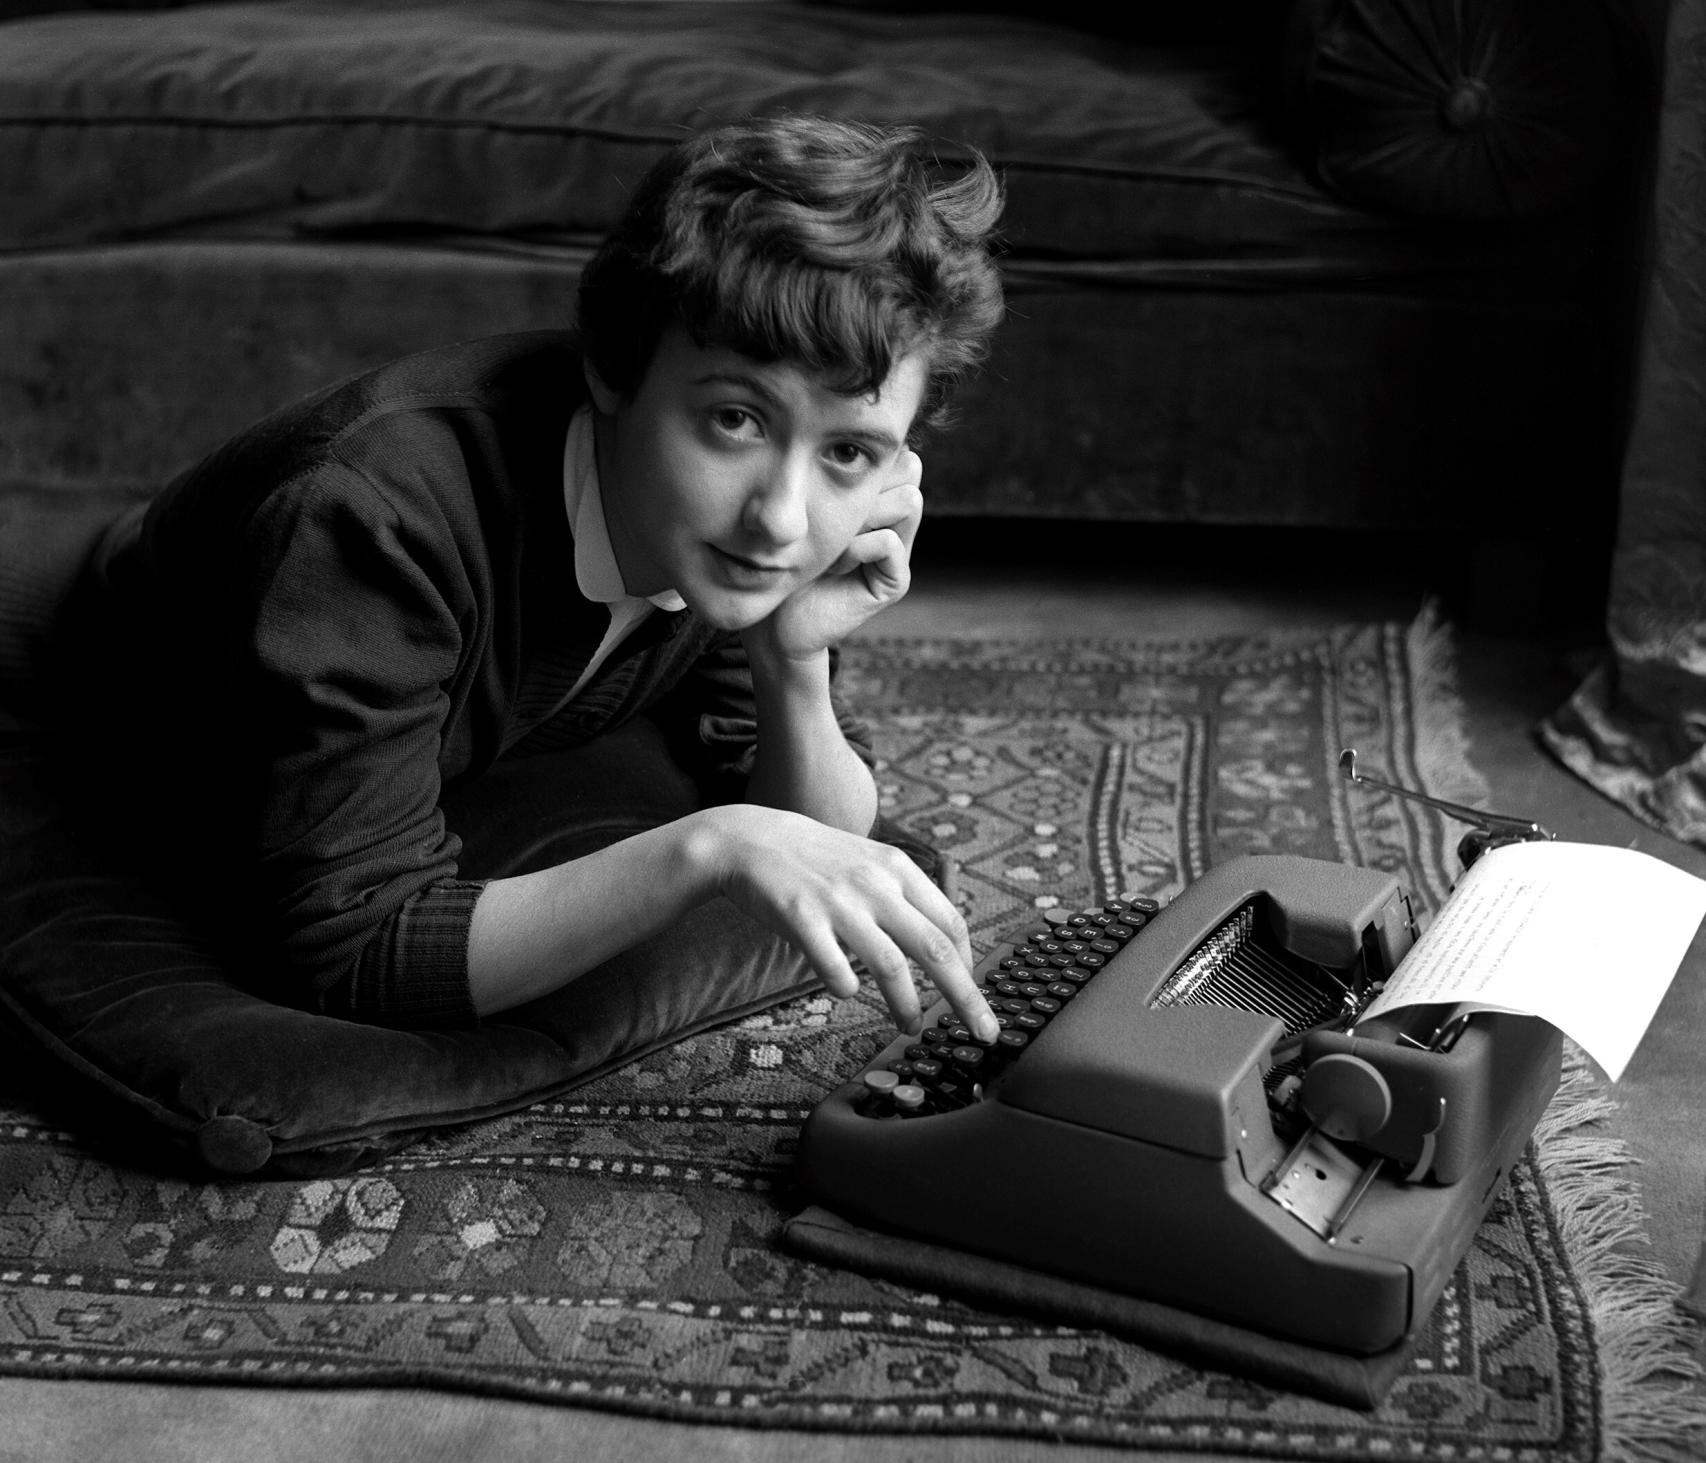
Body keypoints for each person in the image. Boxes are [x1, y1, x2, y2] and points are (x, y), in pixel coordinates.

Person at [57, 114, 1006, 1057]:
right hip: (97, 704)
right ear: (610, 365)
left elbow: (820, 834)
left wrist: (790, 658)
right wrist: (712, 847)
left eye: (848, 450)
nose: (783, 520)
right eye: (734, 420)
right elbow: (352, 950)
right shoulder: (369, 519)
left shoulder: (723, 534)